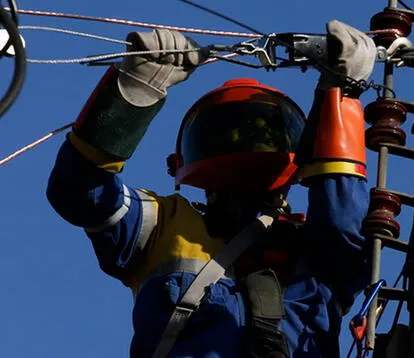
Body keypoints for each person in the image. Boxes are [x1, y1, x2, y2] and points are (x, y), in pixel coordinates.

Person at [46, 19, 377, 358]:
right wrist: (135, 92)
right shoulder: (162, 226)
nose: (246, 142)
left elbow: (343, 223)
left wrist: (340, 99)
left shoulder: (319, 245)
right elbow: (78, 190)